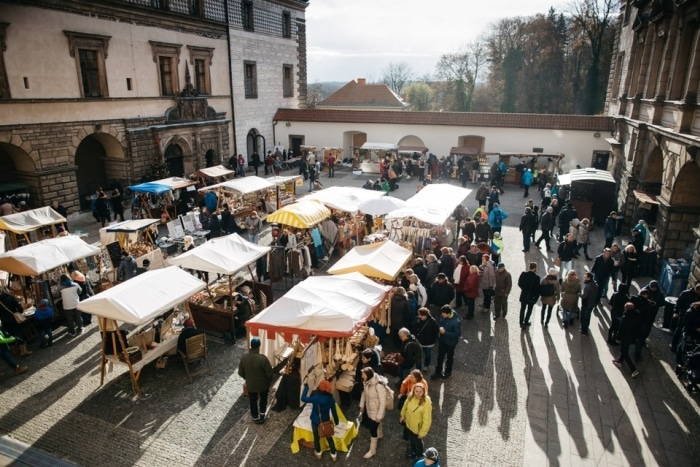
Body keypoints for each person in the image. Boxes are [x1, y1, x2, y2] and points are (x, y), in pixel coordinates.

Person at [300, 380, 339, 461]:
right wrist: (336, 421)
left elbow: (303, 398)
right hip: (326, 421)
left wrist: (306, 387)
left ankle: (318, 453)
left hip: (315, 421)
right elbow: (334, 411)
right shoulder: (330, 399)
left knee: (316, 437)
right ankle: (333, 455)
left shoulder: (316, 398)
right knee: (329, 438)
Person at [238, 337, 273, 424]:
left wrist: (248, 378)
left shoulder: (244, 358)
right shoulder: (263, 359)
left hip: (251, 385)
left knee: (252, 401)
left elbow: (240, 372)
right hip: (263, 385)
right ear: (259, 346)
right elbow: (269, 373)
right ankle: (262, 415)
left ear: (251, 346)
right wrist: (268, 382)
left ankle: (254, 417)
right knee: (263, 399)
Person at [359, 367, 388, 459]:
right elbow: (364, 393)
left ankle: (372, 450)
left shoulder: (378, 386)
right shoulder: (367, 382)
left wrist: (379, 416)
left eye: (363, 374)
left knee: (372, 430)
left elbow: (383, 402)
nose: (362, 376)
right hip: (370, 409)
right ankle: (380, 435)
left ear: (368, 375)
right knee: (377, 424)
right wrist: (361, 405)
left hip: (376, 411)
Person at [400, 383, 432, 459]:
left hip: (417, 429)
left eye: (420, 391)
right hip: (409, 424)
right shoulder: (410, 396)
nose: (418, 393)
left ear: (424, 392)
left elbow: (427, 420)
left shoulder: (426, 403)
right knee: (412, 440)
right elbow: (405, 406)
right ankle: (413, 452)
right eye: (416, 391)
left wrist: (422, 432)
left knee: (418, 443)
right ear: (413, 390)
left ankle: (420, 455)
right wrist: (402, 415)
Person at [431, 305, 461, 380]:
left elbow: (457, 334)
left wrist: (445, 332)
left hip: (451, 343)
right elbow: (441, 324)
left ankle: (448, 371)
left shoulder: (456, 322)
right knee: (440, 357)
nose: (442, 315)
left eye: (443, 314)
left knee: (449, 357)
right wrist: (439, 328)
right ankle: (438, 372)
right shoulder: (444, 317)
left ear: (448, 313)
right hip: (442, 341)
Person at [613, 302, 641, 378]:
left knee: (624, 352)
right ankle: (620, 360)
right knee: (625, 349)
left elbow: (621, 328)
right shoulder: (637, 316)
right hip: (632, 337)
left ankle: (633, 369)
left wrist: (618, 337)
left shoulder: (625, 317)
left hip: (625, 337)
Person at [518, 262, 540, 329]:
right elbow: (537, 288)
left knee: (522, 309)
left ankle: (521, 322)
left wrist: (524, 289)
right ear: (535, 268)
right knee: (529, 310)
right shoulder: (537, 278)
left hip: (524, 294)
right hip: (531, 296)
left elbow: (519, 283)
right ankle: (526, 322)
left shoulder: (523, 274)